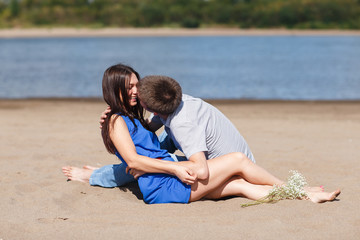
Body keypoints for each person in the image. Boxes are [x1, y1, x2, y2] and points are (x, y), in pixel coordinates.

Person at [62, 63, 340, 204]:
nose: (136, 91)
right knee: (238, 161)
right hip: (163, 186)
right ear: (115, 89)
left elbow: (140, 143)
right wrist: (176, 169)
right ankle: (301, 189)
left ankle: (304, 196)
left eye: (137, 85)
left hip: (167, 178)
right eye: (130, 87)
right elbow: (133, 162)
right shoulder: (116, 119)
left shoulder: (130, 117)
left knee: (242, 186)